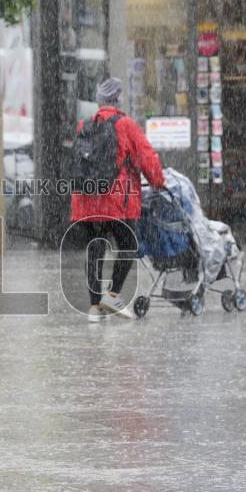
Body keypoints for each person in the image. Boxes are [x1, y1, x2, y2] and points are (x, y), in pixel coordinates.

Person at [71, 77, 166, 322]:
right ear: (119, 99)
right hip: (116, 201)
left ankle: (94, 308)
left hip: (86, 200)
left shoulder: (85, 125)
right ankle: (112, 295)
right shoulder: (126, 125)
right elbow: (147, 159)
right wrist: (158, 182)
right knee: (128, 244)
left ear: (99, 101)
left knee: (95, 250)